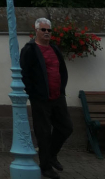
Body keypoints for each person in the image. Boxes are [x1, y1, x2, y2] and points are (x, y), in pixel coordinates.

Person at [20, 18, 73, 178]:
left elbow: (61, 70)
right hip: (40, 98)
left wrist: (62, 89)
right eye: (43, 30)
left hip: (57, 96)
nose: (47, 33)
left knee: (66, 127)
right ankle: (45, 167)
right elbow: (25, 73)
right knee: (43, 133)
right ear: (36, 31)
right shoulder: (30, 50)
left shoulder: (54, 49)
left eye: (49, 30)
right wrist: (33, 93)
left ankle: (51, 156)